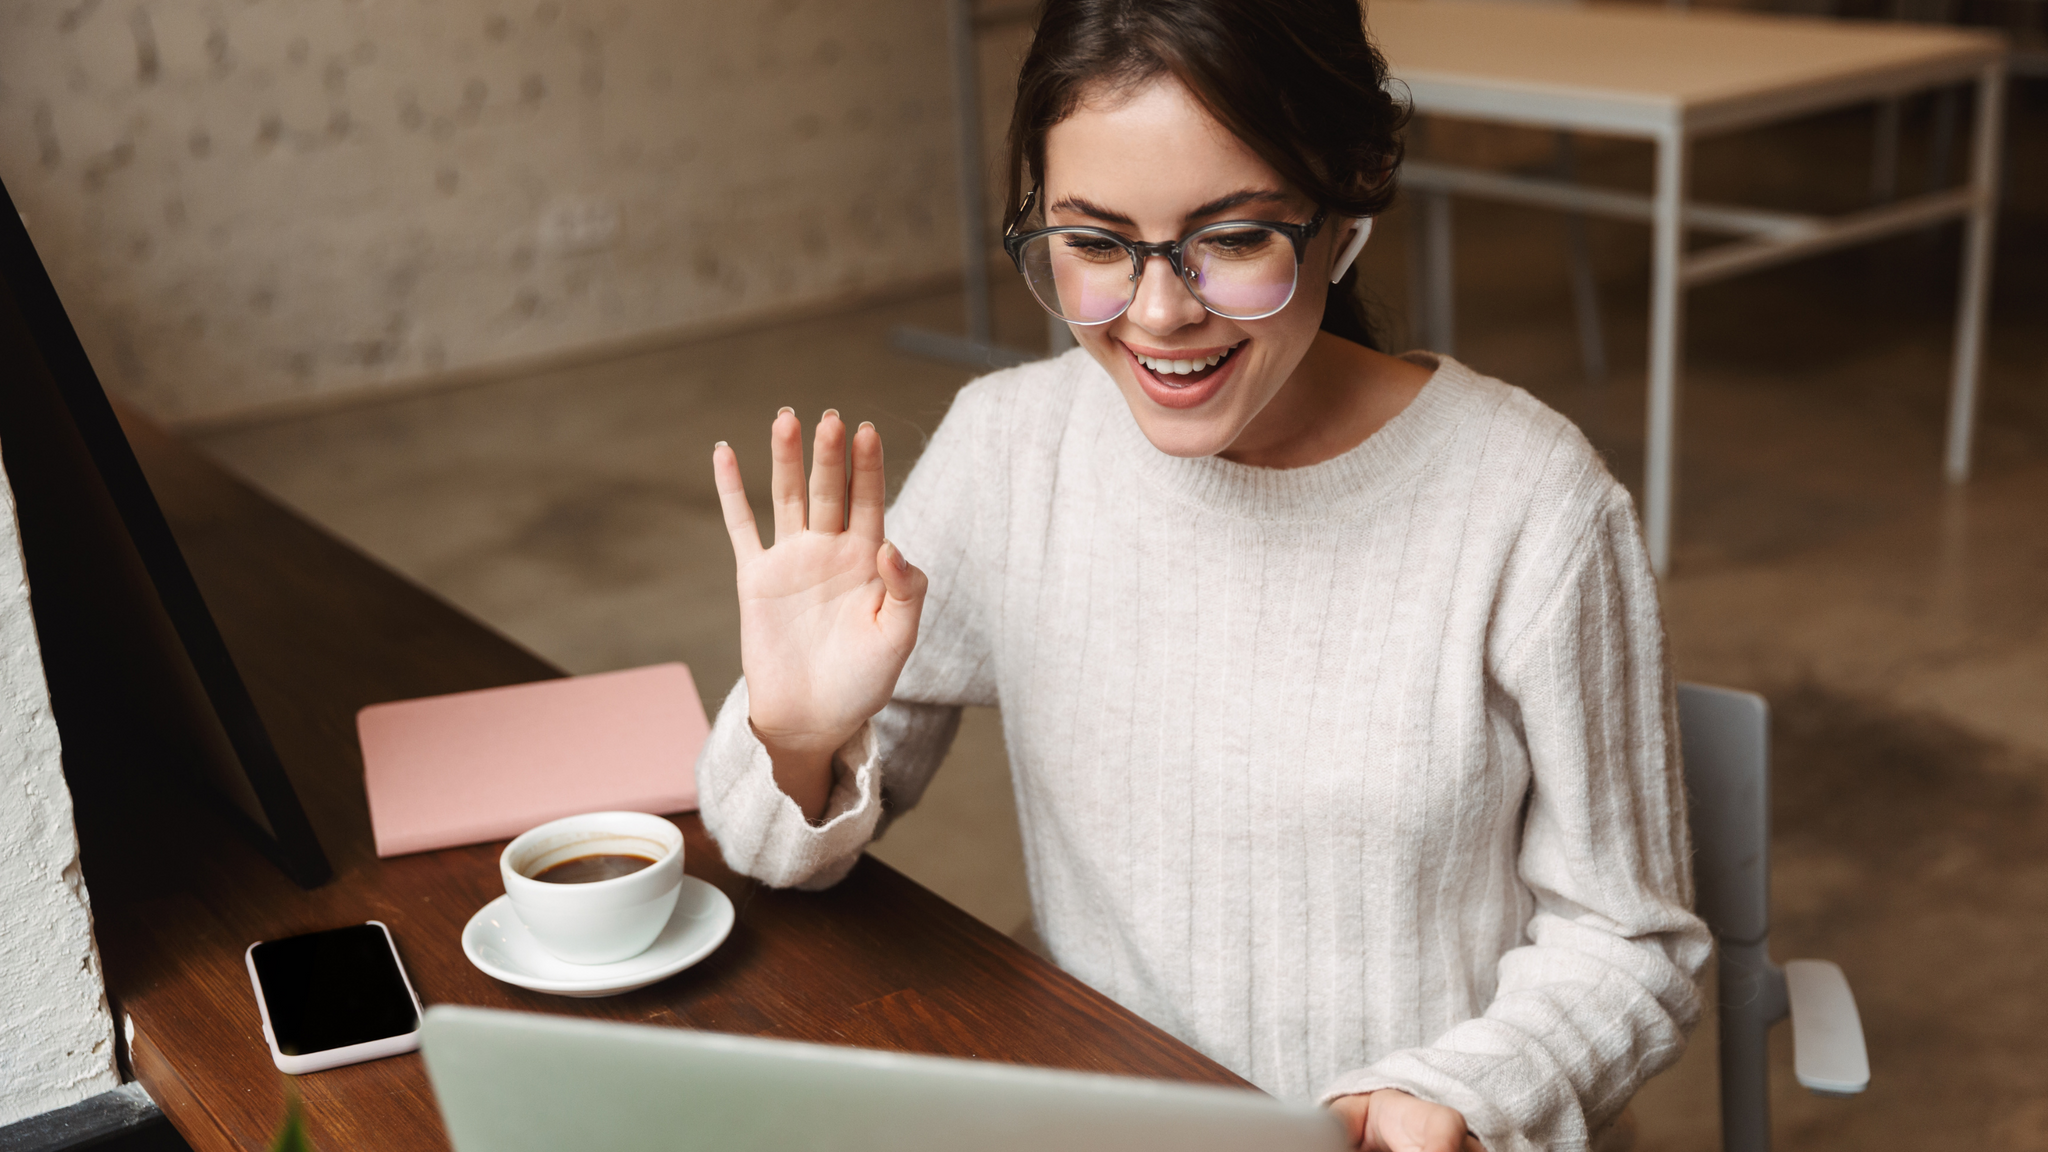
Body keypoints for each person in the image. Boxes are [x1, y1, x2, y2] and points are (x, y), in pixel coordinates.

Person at [697, 1, 1710, 1149]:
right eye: (1093, 244)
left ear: (1349, 198)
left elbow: (1635, 946)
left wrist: (1468, 1096)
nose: (1160, 313)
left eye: (1231, 240)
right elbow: (762, 844)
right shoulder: (1011, 450)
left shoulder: (1528, 504)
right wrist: (793, 740)